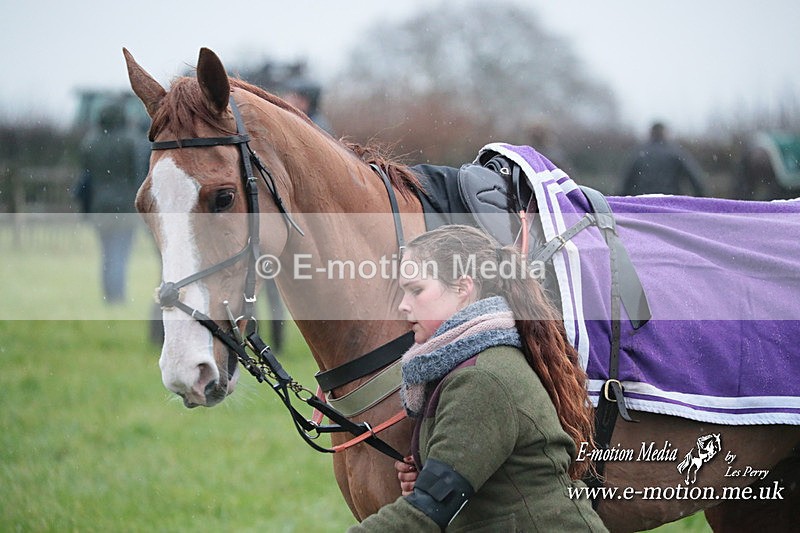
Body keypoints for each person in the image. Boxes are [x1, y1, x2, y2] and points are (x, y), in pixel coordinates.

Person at [350, 225, 607, 532]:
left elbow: (427, 512)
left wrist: (429, 492)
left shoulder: (481, 379)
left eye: (416, 290)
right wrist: (429, 475)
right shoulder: (465, 367)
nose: (403, 305)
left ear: (463, 287)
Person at [79, 99, 147, 304]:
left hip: (99, 205)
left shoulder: (90, 142)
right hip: (125, 205)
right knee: (120, 253)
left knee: (107, 253)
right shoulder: (131, 140)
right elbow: (138, 175)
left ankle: (109, 295)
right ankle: (117, 299)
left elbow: (86, 178)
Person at [620, 121, 707, 196]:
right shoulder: (676, 152)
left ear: (650, 133)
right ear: (665, 133)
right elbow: (695, 179)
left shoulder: (639, 153)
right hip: (669, 202)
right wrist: (701, 201)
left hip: (643, 203)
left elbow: (626, 183)